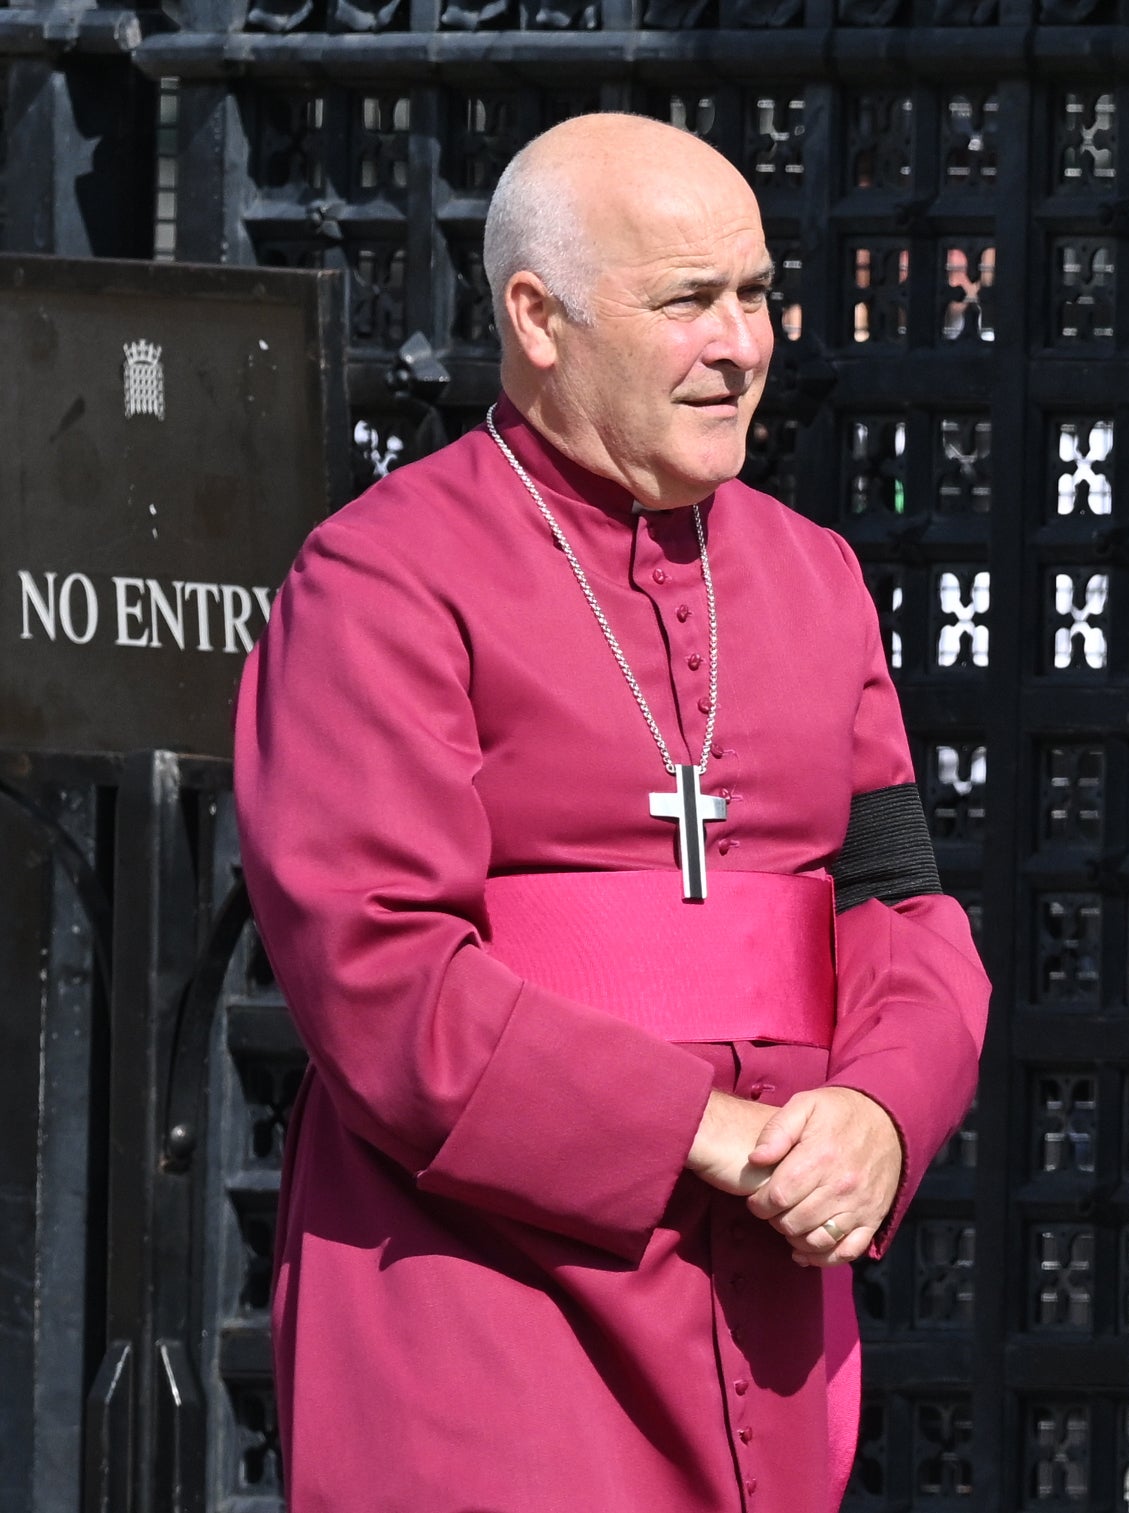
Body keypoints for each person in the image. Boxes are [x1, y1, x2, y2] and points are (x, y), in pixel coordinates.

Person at [235, 112, 988, 1512]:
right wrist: (706, 1131)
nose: (744, 344)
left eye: (756, 294)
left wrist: (882, 1115)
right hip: (483, 1294)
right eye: (688, 301)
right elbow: (382, 977)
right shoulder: (382, 581)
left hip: (766, 1297)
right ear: (539, 318)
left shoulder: (814, 577)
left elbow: (899, 906)